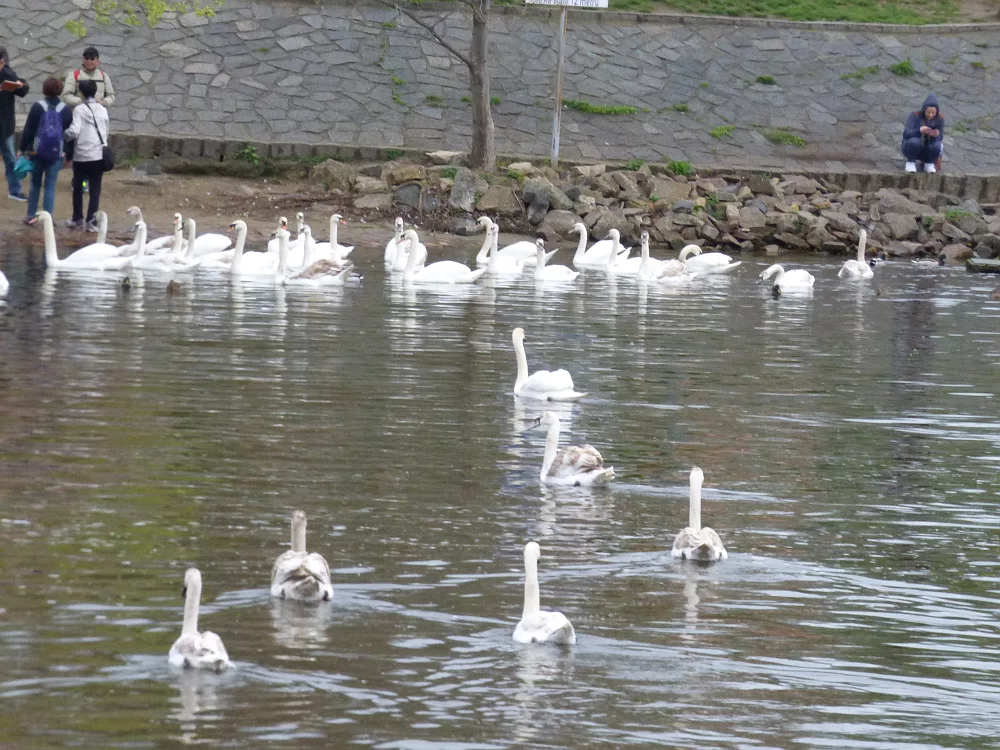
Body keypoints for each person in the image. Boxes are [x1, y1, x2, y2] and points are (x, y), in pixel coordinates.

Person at [19, 77, 73, 225]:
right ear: (60, 90)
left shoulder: (37, 106)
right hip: (56, 153)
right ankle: (47, 218)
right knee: (50, 186)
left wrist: (22, 149)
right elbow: (69, 134)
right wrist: (69, 155)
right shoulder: (66, 109)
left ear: (44, 89)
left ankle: (30, 216)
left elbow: (29, 130)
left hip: (36, 153)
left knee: (35, 184)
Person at [63, 79, 109, 232]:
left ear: (81, 93)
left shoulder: (79, 110)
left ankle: (77, 218)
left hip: (81, 155)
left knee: (78, 187)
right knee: (95, 189)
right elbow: (106, 130)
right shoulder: (102, 109)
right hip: (98, 154)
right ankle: (92, 221)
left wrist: (65, 135)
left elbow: (75, 131)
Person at [0, 45, 30, 201]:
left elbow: (24, 90)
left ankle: (15, 190)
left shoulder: (7, 74)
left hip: (4, 125)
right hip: (4, 125)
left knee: (11, 158)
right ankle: (15, 190)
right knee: (10, 157)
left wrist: (20, 84)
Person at [901, 94, 944, 174]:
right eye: (928, 112)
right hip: (911, 147)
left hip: (928, 148)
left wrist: (935, 135)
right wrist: (919, 131)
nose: (930, 115)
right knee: (915, 142)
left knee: (937, 145)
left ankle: (929, 163)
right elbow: (906, 134)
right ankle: (911, 162)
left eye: (933, 112)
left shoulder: (940, 119)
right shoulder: (914, 116)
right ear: (924, 109)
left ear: (937, 112)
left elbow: (941, 136)